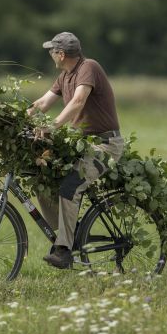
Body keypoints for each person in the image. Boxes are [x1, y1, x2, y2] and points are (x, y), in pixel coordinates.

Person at [27, 32, 124, 269]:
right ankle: (69, 233)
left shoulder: (88, 68)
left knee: (71, 185)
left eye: (52, 51)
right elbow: (42, 103)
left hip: (105, 146)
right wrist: (13, 120)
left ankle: (64, 250)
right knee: (42, 178)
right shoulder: (64, 77)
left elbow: (78, 101)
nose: (51, 55)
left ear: (60, 54)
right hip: (81, 146)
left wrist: (52, 125)